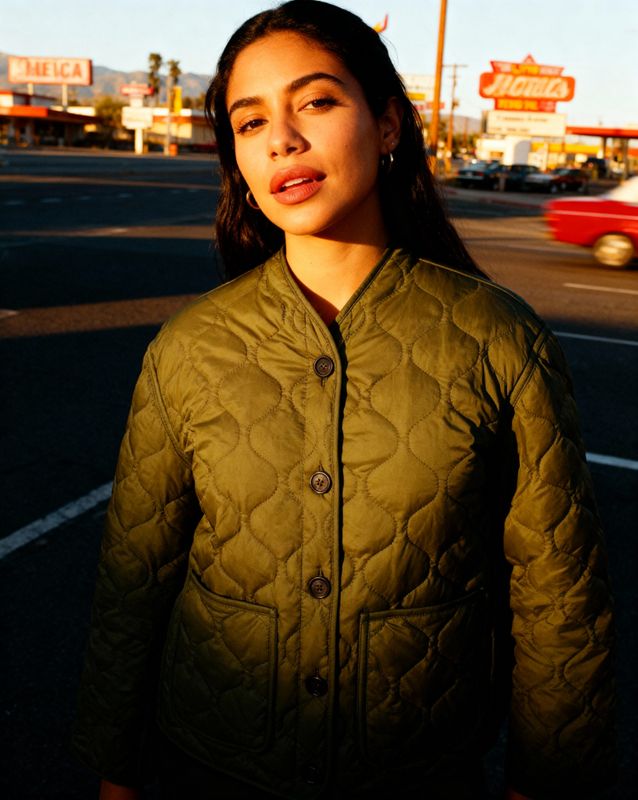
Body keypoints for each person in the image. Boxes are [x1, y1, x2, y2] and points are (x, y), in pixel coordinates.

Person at [72, 2, 616, 799]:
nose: (283, 139)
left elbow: (559, 585)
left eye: (316, 102)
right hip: (211, 764)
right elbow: (135, 574)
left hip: (420, 770)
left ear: (388, 124)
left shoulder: (498, 337)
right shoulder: (190, 346)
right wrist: (116, 769)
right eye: (250, 122)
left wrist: (549, 778)